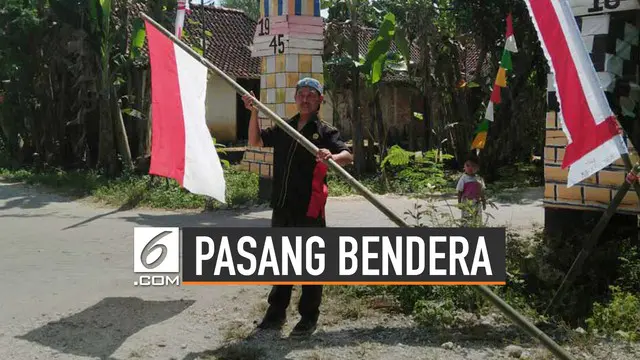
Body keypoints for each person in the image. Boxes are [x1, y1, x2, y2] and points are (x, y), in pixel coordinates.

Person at [241, 77, 353, 337]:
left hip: (309, 207)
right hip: (282, 204)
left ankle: (308, 316)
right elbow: (255, 142)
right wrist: (254, 111)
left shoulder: (325, 131)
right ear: (295, 98)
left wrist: (331, 156)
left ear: (319, 101)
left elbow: (347, 155)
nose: (305, 99)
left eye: (310, 95)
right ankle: (276, 312)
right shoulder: (284, 127)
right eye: (301, 94)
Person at [456, 155, 486, 226]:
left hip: (477, 203)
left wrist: (484, 202)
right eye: (467, 165)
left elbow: (482, 192)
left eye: (473, 166)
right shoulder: (463, 178)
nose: (470, 168)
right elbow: (460, 191)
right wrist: (459, 203)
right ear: (464, 167)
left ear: (477, 168)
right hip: (466, 202)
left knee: (477, 218)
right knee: (466, 218)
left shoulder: (479, 179)